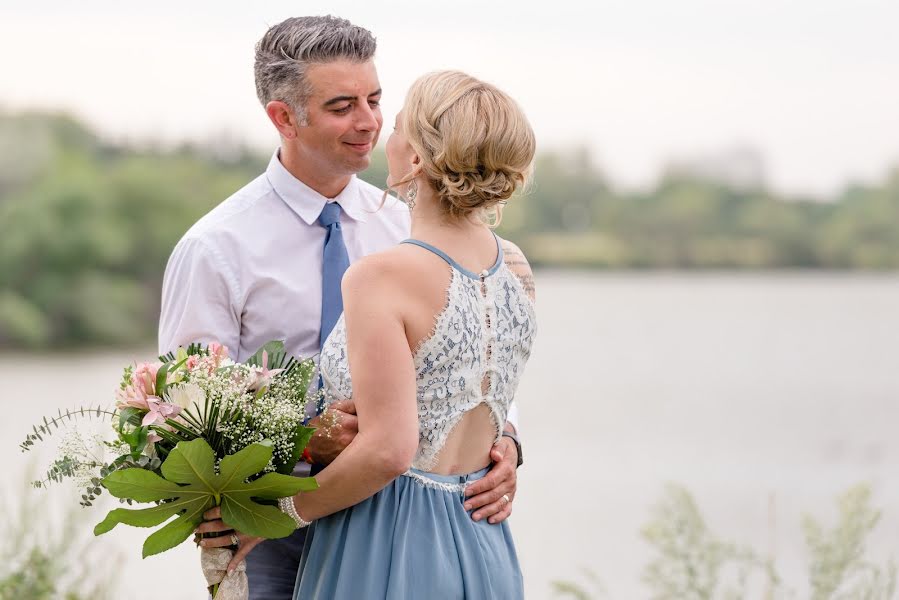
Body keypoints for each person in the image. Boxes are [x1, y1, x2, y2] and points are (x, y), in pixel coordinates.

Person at [159, 16, 522, 599]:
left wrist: (506, 444)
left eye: (376, 100)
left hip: (406, 525)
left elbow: (468, 356)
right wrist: (303, 440)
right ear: (284, 118)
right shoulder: (216, 247)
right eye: (343, 105)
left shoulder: (414, 228)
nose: (370, 122)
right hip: (271, 530)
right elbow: (184, 416)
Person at [280, 69, 536, 598]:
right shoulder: (516, 267)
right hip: (483, 535)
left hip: (387, 539)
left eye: (396, 125)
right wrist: (509, 443)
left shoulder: (381, 276)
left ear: (416, 159)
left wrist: (275, 516)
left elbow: (388, 451)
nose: (382, 134)